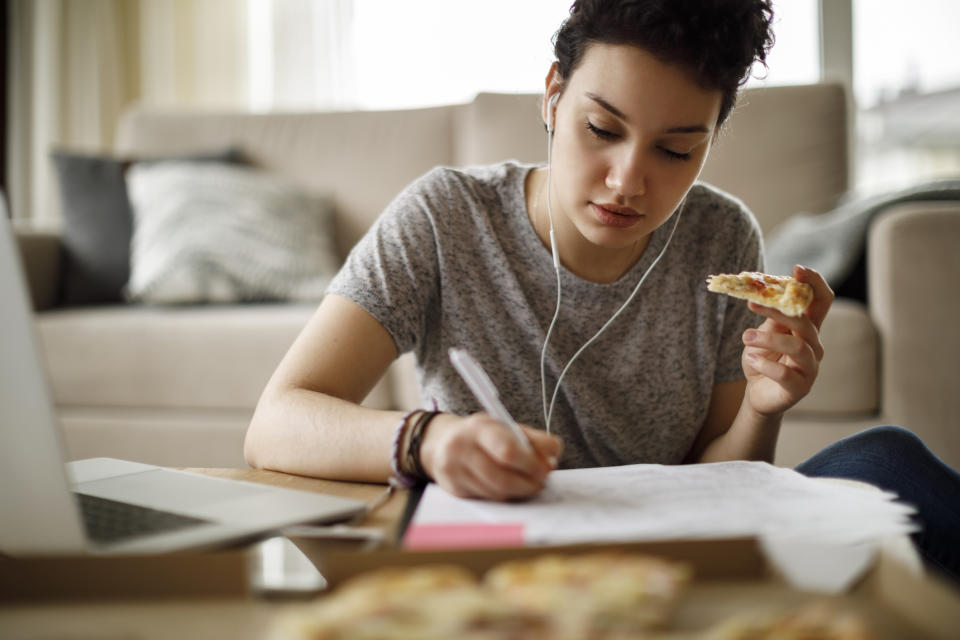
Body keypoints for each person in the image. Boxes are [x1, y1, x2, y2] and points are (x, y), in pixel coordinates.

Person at [244, 0, 959, 585]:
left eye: (676, 150)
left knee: (887, 459)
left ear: (711, 139)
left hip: (666, 551)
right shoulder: (445, 218)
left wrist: (763, 407)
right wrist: (429, 441)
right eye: (601, 129)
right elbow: (276, 422)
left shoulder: (721, 235)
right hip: (500, 551)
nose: (627, 181)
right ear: (553, 95)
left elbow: (726, 481)